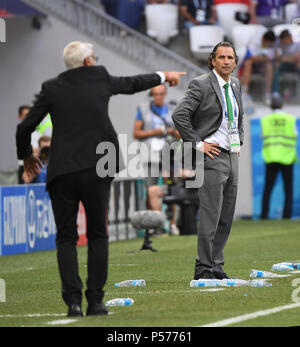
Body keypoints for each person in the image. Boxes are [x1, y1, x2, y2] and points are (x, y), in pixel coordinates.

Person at [16, 40, 185, 317]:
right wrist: (165, 76)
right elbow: (132, 83)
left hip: (62, 171)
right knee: (97, 234)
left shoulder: (52, 87)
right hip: (97, 168)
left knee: (66, 237)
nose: (95, 59)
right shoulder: (99, 77)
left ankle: (72, 303)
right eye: (93, 56)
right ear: (86, 62)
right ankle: (95, 301)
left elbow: (24, 127)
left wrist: (27, 157)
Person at [172, 41, 244, 280]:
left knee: (226, 215)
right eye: (221, 57)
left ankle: (216, 265)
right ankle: (203, 268)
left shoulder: (235, 84)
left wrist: (239, 141)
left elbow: (237, 118)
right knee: (211, 215)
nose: (226, 61)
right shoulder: (201, 84)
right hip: (210, 157)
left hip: (231, 156)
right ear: (213, 60)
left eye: (230, 58)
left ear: (235, 61)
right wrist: (198, 144)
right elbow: (179, 114)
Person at [133, 84, 181, 235]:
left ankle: (172, 223)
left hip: (170, 154)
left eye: (161, 94)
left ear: (165, 94)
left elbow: (181, 133)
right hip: (151, 154)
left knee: (173, 188)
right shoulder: (143, 110)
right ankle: (156, 224)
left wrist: (171, 131)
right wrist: (154, 132)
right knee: (151, 189)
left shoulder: (172, 110)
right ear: (152, 95)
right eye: (155, 94)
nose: (158, 97)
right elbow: (136, 133)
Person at [260, 95, 298, 219]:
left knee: (268, 188)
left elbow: (262, 136)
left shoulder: (265, 120)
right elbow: (295, 135)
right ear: (282, 105)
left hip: (271, 157)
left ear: (271, 106)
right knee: (288, 189)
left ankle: (264, 216)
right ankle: (286, 216)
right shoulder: (290, 119)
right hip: (287, 157)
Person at [240, 29, 276, 106]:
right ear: (263, 38)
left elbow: (272, 57)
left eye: (270, 45)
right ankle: (245, 94)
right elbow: (251, 57)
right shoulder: (255, 40)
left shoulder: (272, 42)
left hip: (261, 64)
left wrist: (264, 58)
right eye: (267, 44)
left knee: (269, 66)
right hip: (251, 62)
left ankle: (267, 94)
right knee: (248, 63)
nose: (268, 46)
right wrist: (264, 58)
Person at [273, 29, 300, 99]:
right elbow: (277, 57)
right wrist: (291, 58)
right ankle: (276, 94)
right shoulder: (279, 45)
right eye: (283, 41)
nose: (284, 43)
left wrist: (284, 58)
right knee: (276, 68)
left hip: (295, 66)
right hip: (283, 66)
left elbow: (297, 58)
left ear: (290, 37)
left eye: (285, 40)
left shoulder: (297, 45)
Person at [17, 105, 31, 184]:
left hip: (36, 167)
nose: (28, 117)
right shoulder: (19, 133)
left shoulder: (38, 132)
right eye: (25, 115)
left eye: (29, 114)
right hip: (24, 166)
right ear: (20, 116)